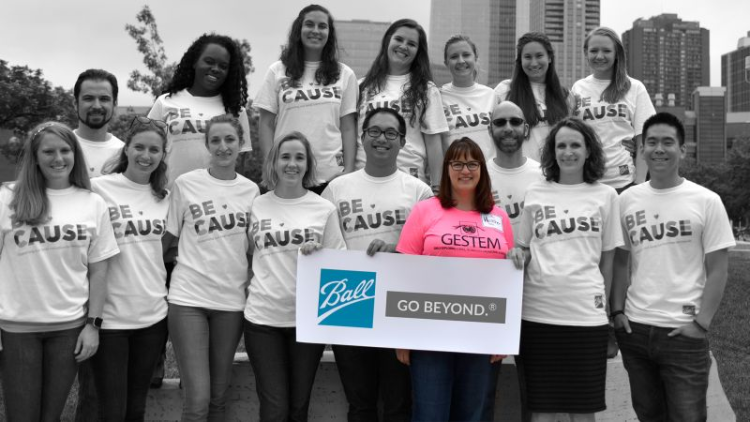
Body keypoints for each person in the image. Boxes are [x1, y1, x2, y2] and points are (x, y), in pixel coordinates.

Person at [611, 112, 735, 422]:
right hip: (636, 331)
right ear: (642, 150)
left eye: (668, 142)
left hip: (683, 332)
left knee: (687, 417)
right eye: (651, 142)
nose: (659, 149)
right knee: (649, 415)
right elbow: (622, 260)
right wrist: (616, 312)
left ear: (682, 149)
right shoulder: (627, 200)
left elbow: (718, 268)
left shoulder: (706, 200)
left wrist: (701, 323)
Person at [0, 122, 119, 421]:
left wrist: (93, 325)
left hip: (68, 327)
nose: (58, 158)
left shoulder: (92, 203)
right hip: (17, 328)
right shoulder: (7, 199)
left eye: (65, 150)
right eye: (48, 151)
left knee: (50, 417)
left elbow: (99, 271)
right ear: (35, 157)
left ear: (75, 155)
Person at [322, 107, 432, 422]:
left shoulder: (418, 191)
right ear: (362, 136)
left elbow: (429, 251)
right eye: (374, 131)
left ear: (402, 142)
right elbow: (328, 244)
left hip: (401, 306)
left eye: (390, 133)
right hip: (350, 302)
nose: (381, 139)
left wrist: (398, 249)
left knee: (399, 404)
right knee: (360, 405)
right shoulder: (337, 188)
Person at [395, 137, 517, 422]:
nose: (465, 170)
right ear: (447, 169)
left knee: (472, 415)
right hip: (429, 336)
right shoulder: (426, 210)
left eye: (472, 163)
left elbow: (507, 279)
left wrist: (504, 336)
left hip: (482, 335)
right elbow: (404, 272)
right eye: (458, 163)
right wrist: (401, 336)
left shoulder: (498, 217)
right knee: (429, 415)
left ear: (482, 169)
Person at [510, 117, 623, 422]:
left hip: (586, 316)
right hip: (538, 314)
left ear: (589, 151)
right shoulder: (536, 192)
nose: (568, 152)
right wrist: (517, 253)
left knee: (583, 411)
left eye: (575, 145)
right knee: (542, 410)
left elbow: (607, 261)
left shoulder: (606, 196)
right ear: (552, 151)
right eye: (561, 145)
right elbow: (525, 248)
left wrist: (606, 313)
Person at [163, 115, 260, 420]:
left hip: (231, 303)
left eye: (229, 139)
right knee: (198, 398)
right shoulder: (186, 184)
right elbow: (168, 240)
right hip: (188, 298)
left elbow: (255, 249)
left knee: (218, 397)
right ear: (206, 144)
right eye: (215, 140)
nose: (222, 147)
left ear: (240, 144)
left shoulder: (252, 191)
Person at [245, 132, 347, 422]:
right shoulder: (256, 204)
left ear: (308, 164)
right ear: (274, 162)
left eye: (299, 157)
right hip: (262, 321)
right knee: (275, 408)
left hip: (307, 322)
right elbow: (244, 255)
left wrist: (320, 255)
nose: (292, 164)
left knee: (298, 407)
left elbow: (338, 262)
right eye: (285, 157)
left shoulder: (323, 208)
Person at [89, 116, 170, 421]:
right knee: (111, 410)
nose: (145, 155)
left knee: (136, 408)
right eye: (139, 147)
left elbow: (164, 251)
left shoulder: (165, 198)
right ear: (126, 149)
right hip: (109, 318)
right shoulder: (98, 189)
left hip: (152, 316)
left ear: (163, 155)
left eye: (154, 150)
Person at [255, 4, 358, 193]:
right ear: (299, 29)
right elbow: (266, 123)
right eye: (309, 25)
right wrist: (270, 166)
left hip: (331, 177)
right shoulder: (277, 71)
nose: (315, 31)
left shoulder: (345, 74)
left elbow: (348, 126)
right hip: (287, 173)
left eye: (322, 26)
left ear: (330, 33)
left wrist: (349, 170)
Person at [484, 100, 544, 421]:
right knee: (480, 394)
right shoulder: (475, 174)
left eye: (514, 122)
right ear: (489, 129)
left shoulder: (544, 175)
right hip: (487, 298)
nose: (507, 128)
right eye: (500, 122)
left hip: (534, 297)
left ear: (526, 128)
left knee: (534, 395)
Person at [148, 33, 251, 186]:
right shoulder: (166, 102)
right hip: (170, 197)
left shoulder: (236, 110)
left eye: (223, 66)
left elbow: (240, 164)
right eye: (209, 62)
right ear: (195, 62)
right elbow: (147, 148)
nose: (215, 69)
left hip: (217, 200)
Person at [355, 19, 448, 189]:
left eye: (411, 44)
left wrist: (438, 188)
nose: (404, 46)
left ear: (418, 51)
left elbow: (434, 143)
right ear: (387, 41)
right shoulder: (361, 86)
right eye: (399, 39)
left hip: (410, 180)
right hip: (364, 176)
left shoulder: (426, 89)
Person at [572, 27, 656, 191]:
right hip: (587, 184)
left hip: (625, 184)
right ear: (586, 53)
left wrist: (638, 184)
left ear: (616, 53)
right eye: (594, 50)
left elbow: (644, 140)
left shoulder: (635, 88)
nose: (599, 56)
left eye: (606, 51)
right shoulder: (578, 88)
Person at [495, 32, 573, 163]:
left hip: (555, 173)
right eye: (527, 57)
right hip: (521, 171)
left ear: (549, 58)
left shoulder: (565, 95)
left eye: (539, 56)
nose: (534, 62)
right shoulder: (505, 90)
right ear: (520, 61)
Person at [439, 35, 496, 161]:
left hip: (489, 175)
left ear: (475, 58)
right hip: (454, 174)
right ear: (446, 63)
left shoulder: (491, 95)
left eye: (466, 55)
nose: (461, 61)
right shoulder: (438, 97)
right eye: (454, 57)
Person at [73, 69, 124, 178]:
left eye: (104, 99)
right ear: (75, 103)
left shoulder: (124, 154)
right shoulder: (60, 147)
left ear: (114, 104)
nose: (96, 106)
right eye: (88, 98)